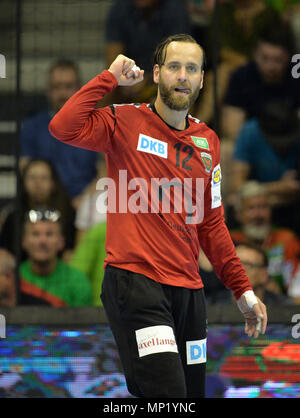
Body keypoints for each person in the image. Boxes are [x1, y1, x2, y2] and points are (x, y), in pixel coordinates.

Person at [49, 34, 267, 398]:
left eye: (191, 68)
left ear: (201, 80)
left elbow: (212, 224)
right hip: (136, 284)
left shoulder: (208, 142)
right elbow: (63, 126)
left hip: (189, 294)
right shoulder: (124, 121)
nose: (182, 76)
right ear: (156, 73)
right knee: (168, 396)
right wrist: (109, 78)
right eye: (174, 66)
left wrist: (243, 290)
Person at [19, 59, 99, 207]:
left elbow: (105, 171)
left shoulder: (96, 125)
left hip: (86, 203)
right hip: (44, 201)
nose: (62, 93)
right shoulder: (33, 126)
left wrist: (84, 202)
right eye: (57, 87)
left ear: (80, 90)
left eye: (68, 86)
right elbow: (25, 169)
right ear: (48, 91)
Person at [230, 100, 300, 234]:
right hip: (258, 195)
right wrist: (278, 187)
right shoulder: (250, 132)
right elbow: (238, 187)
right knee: (236, 201)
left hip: (293, 198)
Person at [103, 0, 191, 105]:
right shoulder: (120, 8)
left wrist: (148, 79)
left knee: (179, 88)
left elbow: (177, 60)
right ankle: (101, 120)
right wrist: (124, 78)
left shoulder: (175, 10)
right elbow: (113, 56)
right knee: (106, 87)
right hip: (129, 74)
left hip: (160, 76)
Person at [222, 23, 299, 142]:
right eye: (265, 58)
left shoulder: (296, 75)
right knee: (226, 148)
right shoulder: (242, 76)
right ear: (255, 55)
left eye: (278, 60)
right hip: (253, 143)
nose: (270, 66)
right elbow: (232, 129)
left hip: (291, 143)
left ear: (289, 58)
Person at [230, 181, 300, 296]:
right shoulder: (230, 242)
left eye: (263, 207)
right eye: (251, 208)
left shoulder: (286, 241)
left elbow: (296, 288)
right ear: (238, 214)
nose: (258, 214)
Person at [0, 159, 76, 261]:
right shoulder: (13, 217)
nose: (38, 183)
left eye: (44, 178)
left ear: (53, 182)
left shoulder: (68, 214)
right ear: (23, 182)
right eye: (32, 178)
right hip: (21, 272)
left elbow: (72, 250)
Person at [20, 208, 92, 307]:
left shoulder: (78, 281)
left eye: (49, 234)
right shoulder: (13, 279)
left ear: (61, 242)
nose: (42, 241)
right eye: (36, 234)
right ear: (24, 241)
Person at [206, 243, 294, 306]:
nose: (237, 270)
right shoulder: (212, 305)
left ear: (264, 274)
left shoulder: (285, 308)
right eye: (233, 263)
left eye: (247, 265)